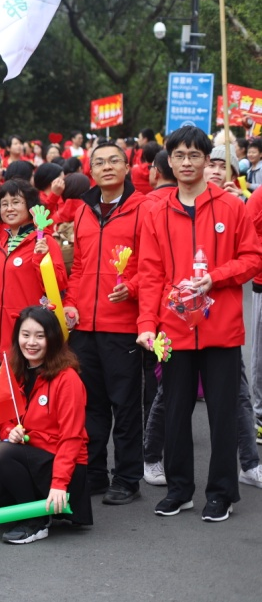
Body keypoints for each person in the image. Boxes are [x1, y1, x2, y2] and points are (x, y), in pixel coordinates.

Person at [136, 126, 262, 522]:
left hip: (221, 328)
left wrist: (216, 277)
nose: (187, 162)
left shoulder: (231, 206)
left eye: (194, 155)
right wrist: (146, 324)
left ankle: (221, 493)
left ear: (208, 160)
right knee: (174, 409)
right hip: (172, 331)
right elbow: (150, 272)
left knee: (222, 412)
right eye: (179, 155)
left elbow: (253, 258)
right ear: (168, 161)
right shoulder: (156, 209)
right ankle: (179, 489)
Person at [62, 141, 147, 504]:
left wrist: (131, 287)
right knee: (89, 404)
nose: (107, 167)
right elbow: (78, 266)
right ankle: (94, 472)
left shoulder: (144, 207)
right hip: (84, 327)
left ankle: (127, 477)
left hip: (122, 324)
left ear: (127, 168)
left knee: (124, 405)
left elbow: (154, 266)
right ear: (90, 171)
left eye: (115, 161)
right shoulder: (82, 209)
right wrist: (70, 303)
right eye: (99, 162)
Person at [0, 307, 91, 543]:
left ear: (53, 339)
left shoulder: (68, 379)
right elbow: (4, 418)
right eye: (25, 335)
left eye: (40, 336)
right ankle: (36, 506)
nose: (31, 342)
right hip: (28, 457)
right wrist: (9, 431)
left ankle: (36, 522)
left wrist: (59, 484)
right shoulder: (15, 370)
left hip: (62, 465)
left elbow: (72, 437)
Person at [0, 179, 68, 361]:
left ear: (30, 206)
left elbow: (59, 283)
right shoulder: (2, 245)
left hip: (31, 333)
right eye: (4, 204)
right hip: (2, 332)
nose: (9, 208)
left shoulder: (43, 241)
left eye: (16, 202)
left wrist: (40, 259)